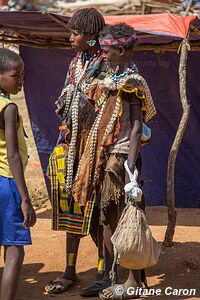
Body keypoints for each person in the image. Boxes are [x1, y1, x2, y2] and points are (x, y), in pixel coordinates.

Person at [72, 23, 156, 298]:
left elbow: (135, 127)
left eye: (107, 51)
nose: (103, 55)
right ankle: (111, 277)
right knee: (106, 221)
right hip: (106, 156)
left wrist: (129, 164)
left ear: (120, 50)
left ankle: (133, 280)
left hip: (120, 159)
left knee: (127, 218)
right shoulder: (112, 78)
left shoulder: (132, 83)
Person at [45, 8, 108, 295]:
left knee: (97, 212)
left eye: (75, 33)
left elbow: (107, 108)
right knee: (72, 201)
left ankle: (103, 271)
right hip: (73, 145)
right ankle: (70, 270)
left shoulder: (108, 64)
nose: (70, 37)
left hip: (98, 147)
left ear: (92, 36)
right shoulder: (76, 63)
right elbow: (67, 98)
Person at [0, 48, 36, 300]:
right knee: (14, 251)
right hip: (8, 183)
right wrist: (25, 198)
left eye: (23, 75)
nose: (21, 80)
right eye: (16, 76)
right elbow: (13, 156)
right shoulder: (9, 107)